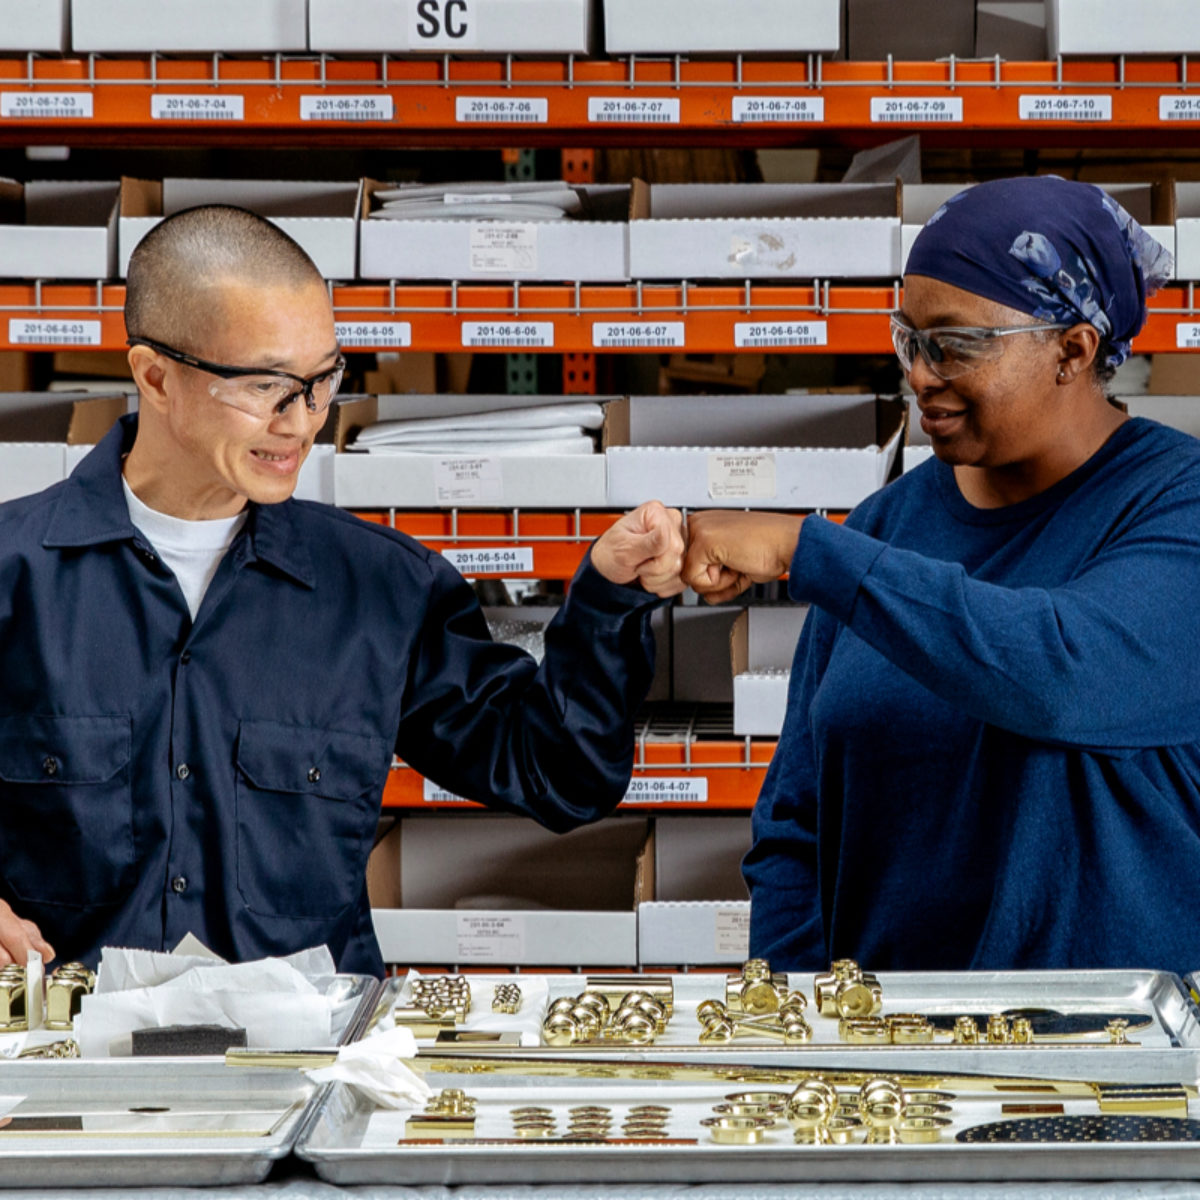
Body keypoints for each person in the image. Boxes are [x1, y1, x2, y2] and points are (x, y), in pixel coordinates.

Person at [0, 205, 685, 976]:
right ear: (155, 377)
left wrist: (605, 598)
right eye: (266, 386)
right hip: (65, 1064)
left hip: (311, 1067)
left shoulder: (381, 589)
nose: (304, 424)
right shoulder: (11, 575)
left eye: (323, 381)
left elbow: (561, 776)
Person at [683, 174, 1200, 974]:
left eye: (956, 346)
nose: (921, 375)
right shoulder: (888, 525)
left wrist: (804, 550)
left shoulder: (1175, 504)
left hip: (1111, 1070)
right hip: (891, 1067)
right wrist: (793, 1022)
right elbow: (796, 822)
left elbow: (1062, 674)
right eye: (909, 340)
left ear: (1073, 348)